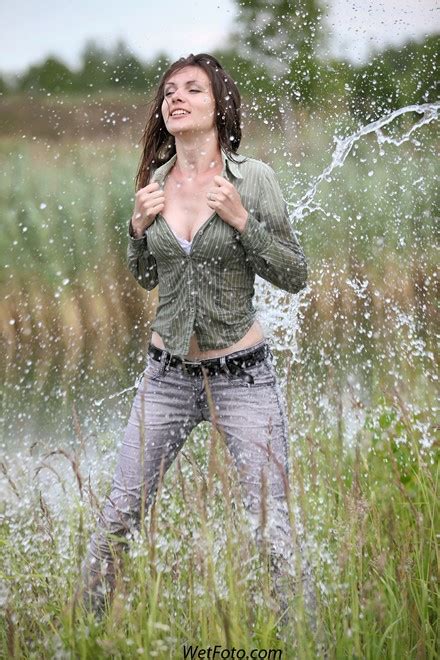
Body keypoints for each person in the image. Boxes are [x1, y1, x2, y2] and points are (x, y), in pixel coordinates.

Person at [79, 52, 315, 629]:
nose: (175, 98)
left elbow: (295, 273)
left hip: (243, 380)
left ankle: (309, 639)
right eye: (168, 92)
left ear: (219, 107)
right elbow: (146, 276)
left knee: (272, 531)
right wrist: (135, 230)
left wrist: (242, 222)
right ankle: (79, 635)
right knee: (118, 518)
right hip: (167, 379)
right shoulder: (153, 184)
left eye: (192, 89)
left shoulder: (252, 180)